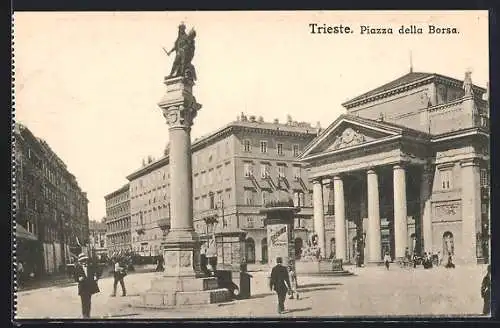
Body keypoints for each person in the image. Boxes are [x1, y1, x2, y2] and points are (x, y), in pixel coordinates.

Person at [74, 253, 100, 318]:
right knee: (83, 301)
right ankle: (84, 314)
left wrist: (96, 277)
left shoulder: (90, 266)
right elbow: (75, 277)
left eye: (85, 260)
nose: (84, 262)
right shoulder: (77, 267)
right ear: (80, 261)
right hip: (82, 287)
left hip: (89, 287)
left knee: (88, 301)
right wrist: (78, 279)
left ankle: (88, 314)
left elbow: (98, 271)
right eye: (82, 261)